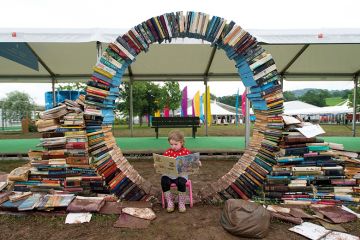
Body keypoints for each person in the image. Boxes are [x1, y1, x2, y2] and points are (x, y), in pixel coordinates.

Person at [162, 130, 191, 213]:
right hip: (169, 174)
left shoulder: (186, 152)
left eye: (175, 144)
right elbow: (163, 162)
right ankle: (170, 202)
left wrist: (197, 163)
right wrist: (157, 165)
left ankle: (181, 203)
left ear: (181, 142)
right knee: (164, 180)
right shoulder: (168, 152)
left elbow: (191, 162)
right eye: (171, 144)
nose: (173, 146)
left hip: (181, 175)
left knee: (182, 182)